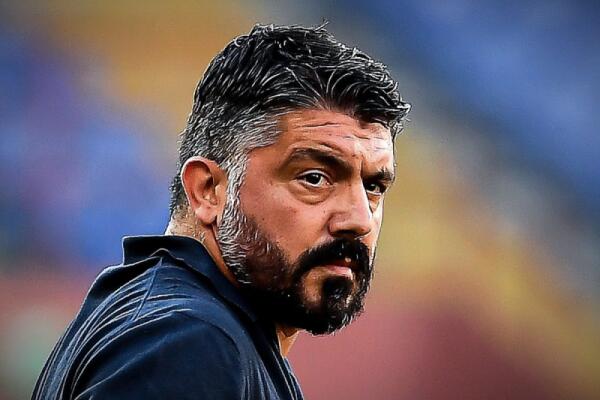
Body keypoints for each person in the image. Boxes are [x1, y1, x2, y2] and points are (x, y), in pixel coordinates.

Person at [32, 23, 410, 399]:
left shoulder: (176, 324)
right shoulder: (185, 342)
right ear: (208, 189)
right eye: (314, 178)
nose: (359, 220)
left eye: (373, 187)